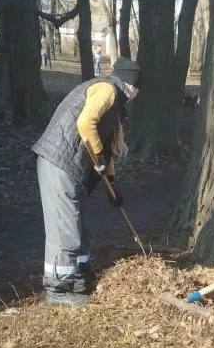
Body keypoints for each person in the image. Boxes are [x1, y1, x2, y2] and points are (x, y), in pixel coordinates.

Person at [31, 56, 141, 307]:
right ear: (131, 84)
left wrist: (112, 184)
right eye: (138, 88)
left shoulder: (115, 102)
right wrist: (98, 156)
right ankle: (57, 290)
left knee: (79, 226)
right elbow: (85, 122)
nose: (138, 94)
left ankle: (79, 277)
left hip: (72, 167)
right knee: (65, 228)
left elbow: (108, 148)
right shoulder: (107, 89)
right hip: (59, 162)